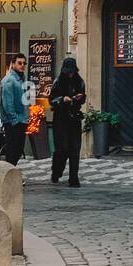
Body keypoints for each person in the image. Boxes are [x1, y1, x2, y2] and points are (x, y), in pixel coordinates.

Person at [50, 55, 86, 188]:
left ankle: (73, 178)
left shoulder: (80, 81)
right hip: (61, 118)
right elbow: (51, 99)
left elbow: (83, 98)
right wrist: (61, 99)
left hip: (74, 118)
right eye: (68, 72)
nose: (70, 74)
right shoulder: (58, 82)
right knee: (62, 149)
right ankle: (56, 171)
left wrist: (79, 98)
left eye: (72, 72)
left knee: (75, 149)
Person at [0, 53, 30, 165]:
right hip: (13, 122)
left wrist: (26, 116)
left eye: (24, 63)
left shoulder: (21, 79)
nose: (22, 65)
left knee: (17, 150)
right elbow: (8, 104)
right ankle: (8, 176)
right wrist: (15, 121)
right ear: (12, 64)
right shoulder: (9, 80)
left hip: (21, 119)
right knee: (12, 151)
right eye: (19, 63)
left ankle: (11, 175)